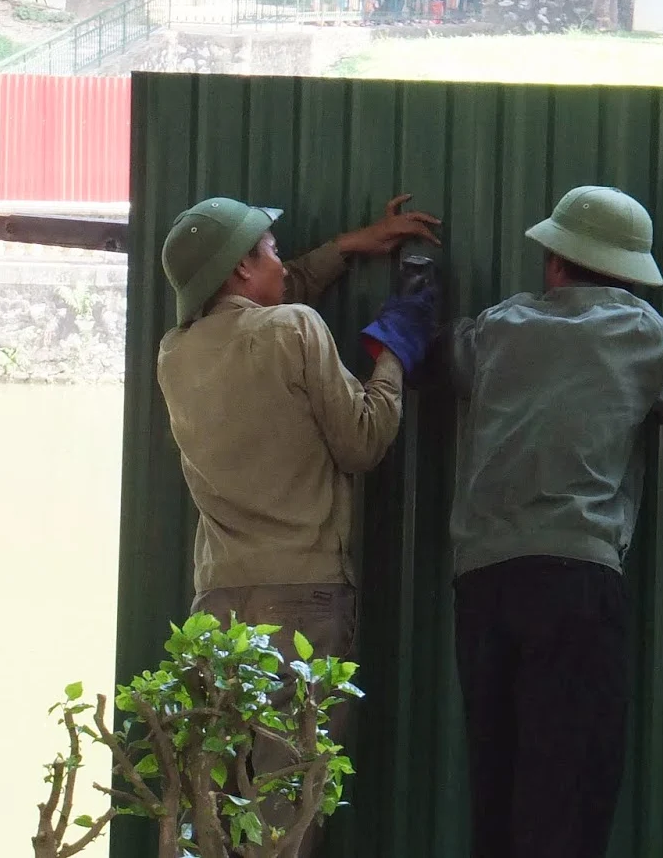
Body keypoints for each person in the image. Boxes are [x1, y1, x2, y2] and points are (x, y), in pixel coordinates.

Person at [448, 186, 663, 858]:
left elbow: (457, 358)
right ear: (632, 275)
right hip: (575, 584)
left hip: (483, 583)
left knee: (495, 790)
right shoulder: (642, 331)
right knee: (567, 796)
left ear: (555, 260)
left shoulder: (499, 325)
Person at [157, 193, 442, 857]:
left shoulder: (175, 354)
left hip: (218, 603)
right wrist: (395, 346)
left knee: (218, 810)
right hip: (304, 605)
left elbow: (261, 315)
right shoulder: (296, 329)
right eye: (272, 251)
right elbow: (366, 439)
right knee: (288, 815)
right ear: (239, 270)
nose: (284, 263)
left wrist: (348, 246)